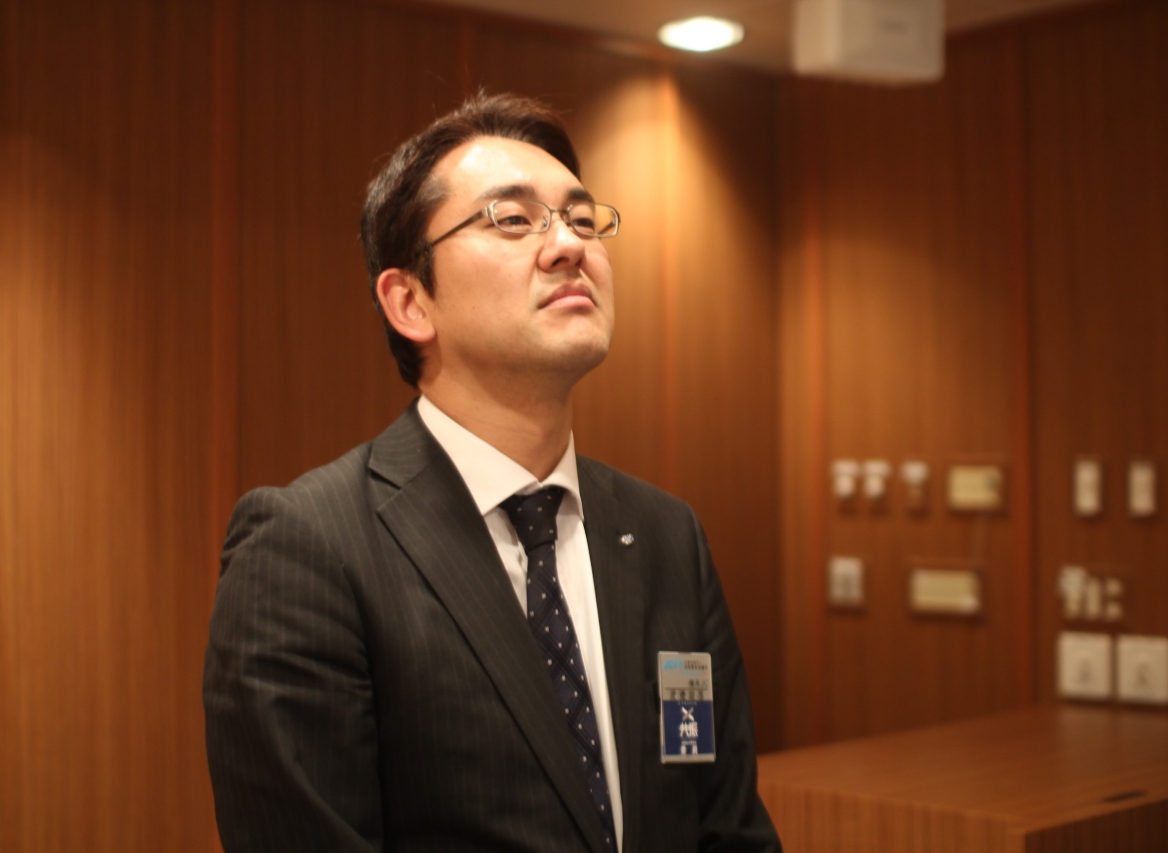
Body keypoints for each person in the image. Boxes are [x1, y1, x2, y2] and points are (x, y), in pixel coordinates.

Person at [203, 91, 781, 853]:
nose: (567, 245)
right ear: (410, 301)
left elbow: (729, 827)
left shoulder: (667, 534)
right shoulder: (308, 547)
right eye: (512, 219)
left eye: (583, 219)